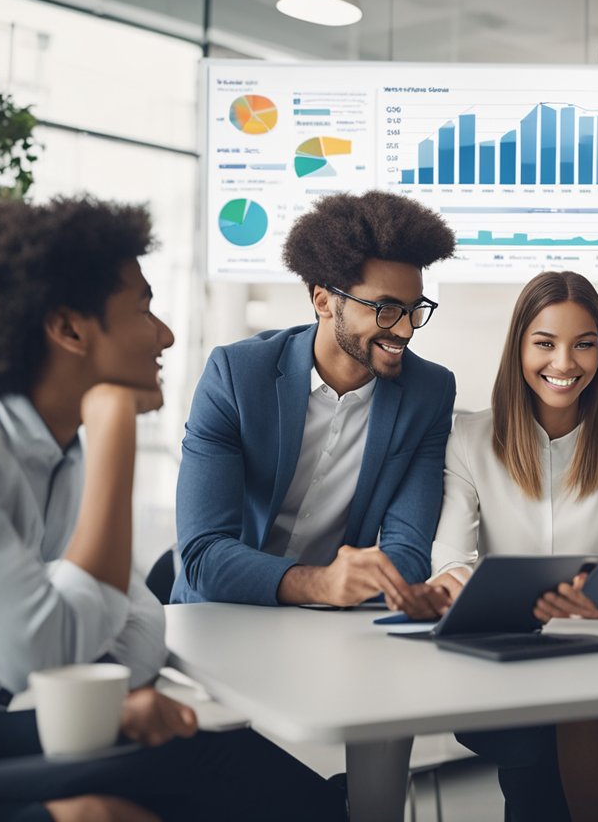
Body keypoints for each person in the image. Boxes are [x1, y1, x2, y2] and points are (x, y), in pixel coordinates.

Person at [0, 197, 346, 821]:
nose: (165, 334)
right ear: (69, 329)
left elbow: (132, 622)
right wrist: (114, 428)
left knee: (251, 775)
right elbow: (46, 656)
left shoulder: (55, 453)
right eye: (142, 307)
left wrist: (107, 689)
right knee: (107, 810)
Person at [428, 271, 598, 822]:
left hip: (591, 640)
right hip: (499, 648)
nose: (565, 363)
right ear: (518, 346)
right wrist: (466, 587)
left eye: (583, 344)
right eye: (545, 343)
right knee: (545, 753)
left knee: (574, 711)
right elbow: (450, 558)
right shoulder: (468, 437)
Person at [172, 191, 455, 616]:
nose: (405, 330)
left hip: (333, 626)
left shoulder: (427, 392)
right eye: (385, 309)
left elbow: (408, 552)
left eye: (415, 310)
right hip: (219, 614)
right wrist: (320, 583)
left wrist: (366, 590)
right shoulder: (236, 375)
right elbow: (202, 553)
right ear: (324, 300)